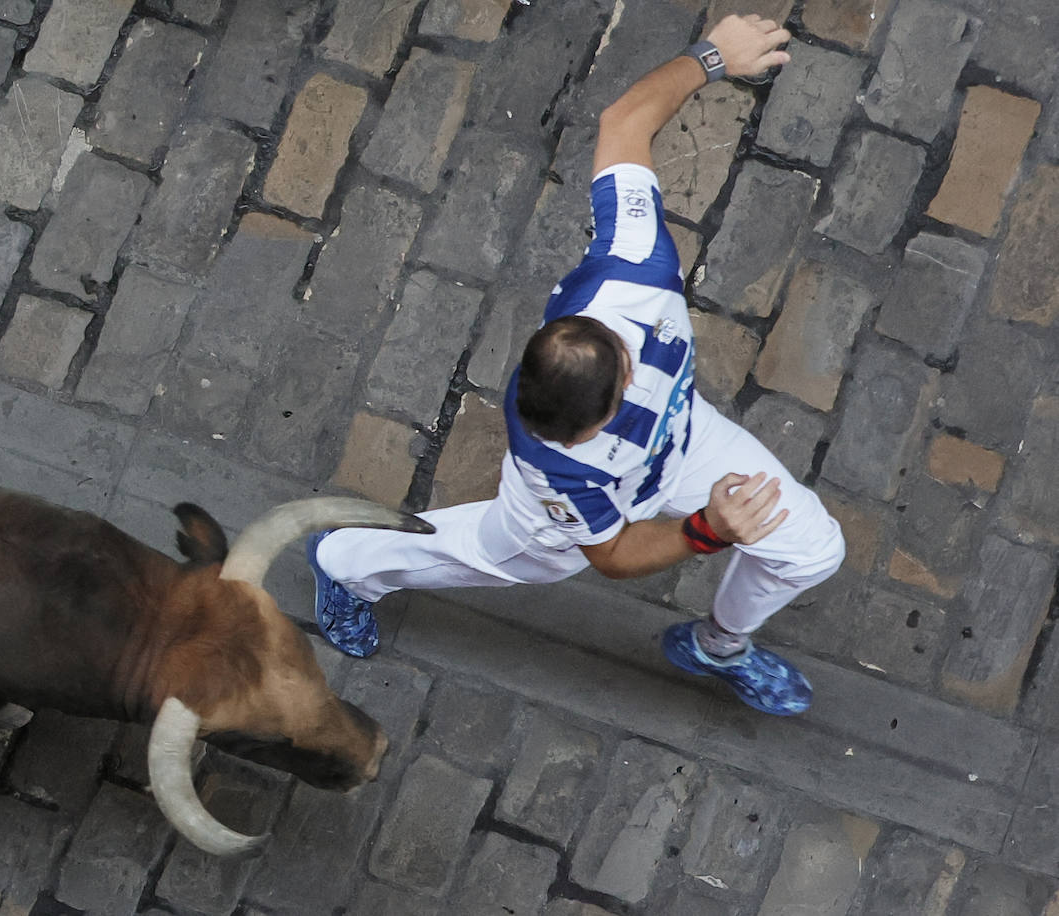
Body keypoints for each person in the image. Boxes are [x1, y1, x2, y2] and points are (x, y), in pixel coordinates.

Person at [308, 14, 845, 716]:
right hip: (583, 517)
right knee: (487, 559)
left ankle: (716, 646)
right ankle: (344, 562)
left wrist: (713, 56)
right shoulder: (559, 475)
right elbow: (614, 556)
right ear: (620, 385)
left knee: (811, 549)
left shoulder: (632, 266)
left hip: (684, 444)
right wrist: (708, 530)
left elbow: (624, 122)